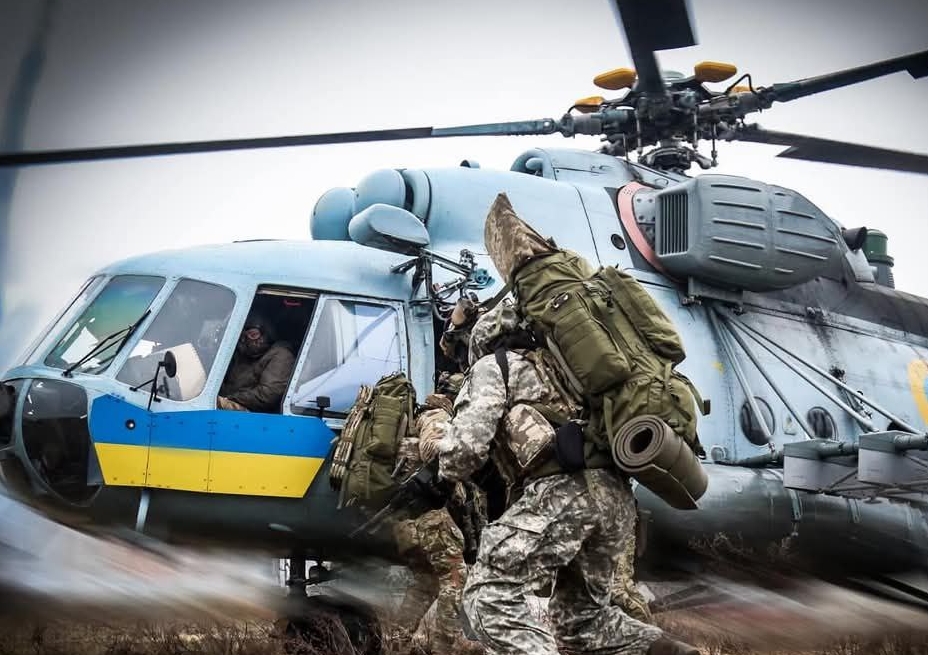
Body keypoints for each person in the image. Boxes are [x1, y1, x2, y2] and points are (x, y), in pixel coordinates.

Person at [437, 303, 700, 655]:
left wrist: (441, 465)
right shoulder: (572, 372)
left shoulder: (494, 366)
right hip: (616, 501)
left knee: (488, 597)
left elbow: (464, 452)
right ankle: (664, 650)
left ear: (482, 340)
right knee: (584, 622)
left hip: (563, 495)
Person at [217, 312, 296, 413]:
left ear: (267, 334)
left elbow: (268, 394)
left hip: (255, 414)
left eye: (253, 335)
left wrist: (229, 399)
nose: (245, 341)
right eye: (242, 336)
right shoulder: (239, 354)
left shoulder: (281, 355)